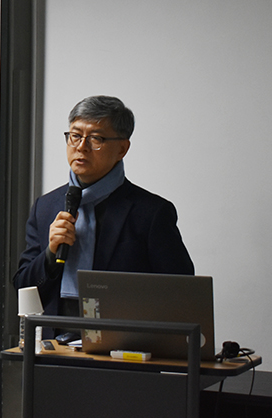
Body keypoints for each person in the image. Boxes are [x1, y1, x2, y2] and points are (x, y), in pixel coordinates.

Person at [13, 95, 194, 339]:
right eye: (75, 136)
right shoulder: (45, 207)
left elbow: (181, 293)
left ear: (122, 149)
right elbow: (23, 287)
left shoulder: (151, 213)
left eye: (96, 138)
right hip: (52, 347)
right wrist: (50, 253)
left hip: (122, 348)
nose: (81, 147)